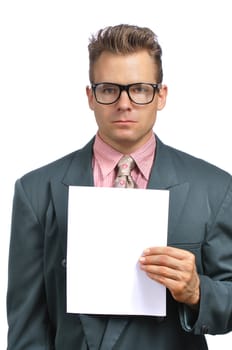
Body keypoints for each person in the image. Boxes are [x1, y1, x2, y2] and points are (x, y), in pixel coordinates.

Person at [7, 24, 232, 350]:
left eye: (139, 88)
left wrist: (197, 291)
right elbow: (26, 327)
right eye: (110, 89)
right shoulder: (35, 191)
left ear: (161, 96)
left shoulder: (214, 188)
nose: (124, 103)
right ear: (90, 96)